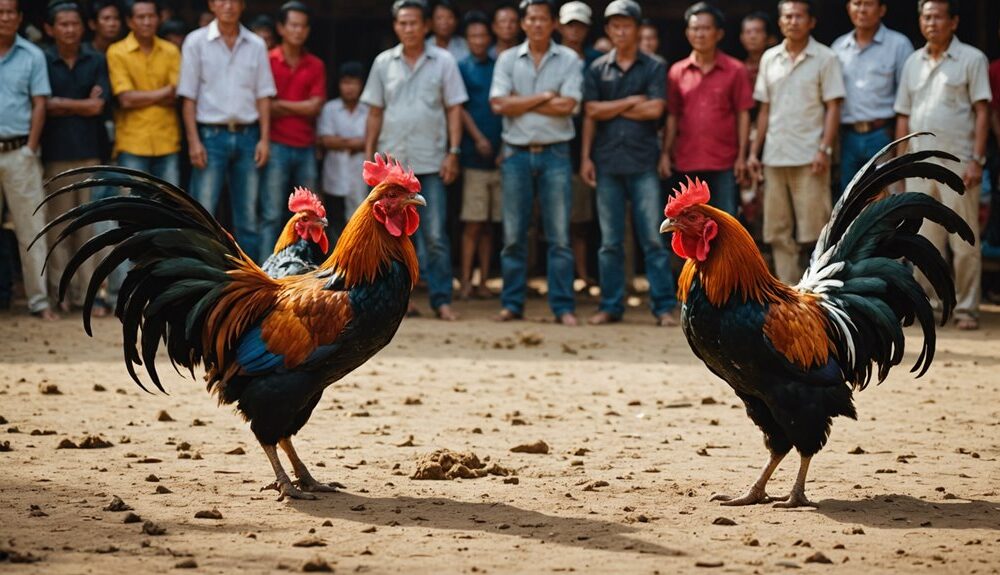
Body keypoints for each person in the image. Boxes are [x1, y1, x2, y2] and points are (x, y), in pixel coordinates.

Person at [362, 0, 467, 321]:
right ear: (396, 27)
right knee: (393, 240)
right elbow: (375, 111)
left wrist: (454, 151)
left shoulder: (444, 61)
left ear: (426, 26)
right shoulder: (383, 63)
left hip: (431, 160)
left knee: (435, 235)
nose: (408, 29)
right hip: (393, 165)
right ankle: (401, 302)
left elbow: (454, 108)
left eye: (414, 23)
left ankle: (441, 300)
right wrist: (369, 156)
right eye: (403, 23)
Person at [894, 0, 990, 330]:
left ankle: (966, 308)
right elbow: (903, 115)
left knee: (963, 241)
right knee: (923, 240)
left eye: (937, 17)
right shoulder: (912, 62)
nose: (931, 22)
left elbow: (982, 112)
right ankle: (928, 306)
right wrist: (900, 161)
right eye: (926, 17)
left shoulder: (971, 59)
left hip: (958, 165)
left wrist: (977, 159)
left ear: (954, 22)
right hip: (918, 164)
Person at [581, 0, 674, 326]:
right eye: (615, 26)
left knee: (652, 237)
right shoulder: (596, 68)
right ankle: (610, 305)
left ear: (637, 29)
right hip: (606, 161)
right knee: (609, 242)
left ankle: (662, 307)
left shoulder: (654, 66)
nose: (621, 31)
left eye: (627, 25)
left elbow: (655, 110)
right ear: (608, 30)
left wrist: (611, 107)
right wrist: (585, 157)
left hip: (643, 161)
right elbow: (591, 114)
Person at [490, 0, 582, 326]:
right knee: (514, 235)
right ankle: (512, 303)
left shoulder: (569, 59)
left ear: (553, 23)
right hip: (515, 153)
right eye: (532, 18)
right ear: (524, 23)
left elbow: (569, 105)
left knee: (559, 235)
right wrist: (545, 96)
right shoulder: (506, 59)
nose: (538, 24)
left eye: (544, 18)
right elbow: (499, 104)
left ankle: (562, 306)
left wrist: (522, 104)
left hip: (556, 152)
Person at [748, 0, 844, 283]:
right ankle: (790, 294)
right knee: (777, 231)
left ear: (811, 22)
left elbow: (833, 107)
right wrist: (755, 153)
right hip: (775, 156)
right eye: (787, 16)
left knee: (816, 232)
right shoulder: (769, 58)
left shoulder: (826, 58)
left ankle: (817, 295)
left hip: (810, 156)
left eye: (798, 16)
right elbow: (764, 109)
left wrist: (825, 148)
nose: (792, 21)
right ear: (779, 22)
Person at [177, 0, 276, 263]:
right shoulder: (195, 42)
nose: (228, 6)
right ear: (211, 4)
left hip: (248, 136)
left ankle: (252, 287)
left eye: (235, 1)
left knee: (248, 218)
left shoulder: (255, 44)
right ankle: (198, 279)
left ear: (243, 6)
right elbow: (188, 97)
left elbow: (263, 96)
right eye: (222, 0)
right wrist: (193, 141)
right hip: (210, 137)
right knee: (202, 213)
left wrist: (264, 140)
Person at [41, 1, 111, 316]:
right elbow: (43, 106)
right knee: (57, 229)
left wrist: (60, 103)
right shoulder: (42, 60)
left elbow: (98, 108)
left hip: (91, 155)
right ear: (50, 29)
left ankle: (93, 295)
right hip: (54, 155)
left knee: (90, 229)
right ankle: (60, 294)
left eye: (74, 24)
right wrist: (80, 103)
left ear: (83, 27)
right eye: (63, 24)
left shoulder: (96, 60)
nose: (70, 29)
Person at [661, 2, 753, 218]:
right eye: (694, 28)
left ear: (719, 33)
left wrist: (742, 156)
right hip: (686, 159)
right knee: (688, 225)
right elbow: (672, 116)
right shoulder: (677, 71)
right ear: (687, 32)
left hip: (724, 161)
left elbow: (743, 114)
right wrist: (665, 153)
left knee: (726, 222)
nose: (699, 34)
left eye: (705, 28)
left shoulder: (735, 69)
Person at [0, 0, 56, 320]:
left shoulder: (32, 55)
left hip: (20, 151)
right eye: (0, 11)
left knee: (32, 230)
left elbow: (40, 104)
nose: (5, 17)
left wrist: (30, 148)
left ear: (20, 18)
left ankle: (39, 302)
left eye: (10, 12)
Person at [260, 1, 326, 261]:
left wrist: (279, 105)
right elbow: (264, 107)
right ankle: (263, 273)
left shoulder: (316, 64)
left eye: (303, 26)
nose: (298, 31)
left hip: (305, 146)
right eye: (293, 25)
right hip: (275, 144)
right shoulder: (267, 60)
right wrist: (300, 106)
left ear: (308, 30)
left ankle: (307, 270)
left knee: (312, 216)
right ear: (281, 28)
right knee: (271, 214)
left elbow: (315, 107)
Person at [832, 0, 912, 197]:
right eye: (856, 3)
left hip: (883, 135)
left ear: (882, 9)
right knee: (848, 203)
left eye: (868, 4)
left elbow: (908, 98)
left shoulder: (899, 45)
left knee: (884, 202)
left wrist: (900, 145)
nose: (861, 9)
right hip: (848, 137)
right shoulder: (838, 47)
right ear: (848, 8)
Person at [107, 0, 181, 184]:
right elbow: (125, 99)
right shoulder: (117, 52)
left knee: (169, 205)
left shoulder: (171, 50)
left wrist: (139, 96)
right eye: (141, 17)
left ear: (159, 18)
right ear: (130, 21)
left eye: (151, 16)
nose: (147, 22)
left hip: (167, 139)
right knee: (134, 207)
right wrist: (163, 92)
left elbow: (176, 95)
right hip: (133, 141)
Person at [457, 10, 503, 300]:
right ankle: (464, 281)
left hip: (499, 157)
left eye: (482, 35)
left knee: (489, 226)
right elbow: (458, 107)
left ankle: (484, 281)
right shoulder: (460, 67)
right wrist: (477, 138)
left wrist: (503, 148)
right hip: (473, 156)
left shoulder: (500, 66)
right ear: (467, 39)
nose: (478, 40)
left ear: (490, 38)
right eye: (473, 36)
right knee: (472, 223)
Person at [558, 0, 601, 289]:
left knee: (583, 221)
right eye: (570, 24)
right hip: (557, 144)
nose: (575, 30)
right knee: (554, 222)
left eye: (580, 25)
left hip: (591, 150)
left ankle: (584, 275)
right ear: (559, 26)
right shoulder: (552, 57)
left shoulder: (597, 60)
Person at [318, 61, 368, 240]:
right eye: (345, 83)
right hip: (334, 176)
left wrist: (341, 141)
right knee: (334, 224)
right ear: (339, 85)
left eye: (354, 83)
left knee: (360, 224)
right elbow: (326, 140)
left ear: (362, 85)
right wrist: (356, 143)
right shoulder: (330, 108)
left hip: (359, 176)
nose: (349, 88)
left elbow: (372, 141)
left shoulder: (369, 110)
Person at [740, 12, 774, 90]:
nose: (752, 36)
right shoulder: (738, 69)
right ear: (741, 37)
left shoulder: (776, 67)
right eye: (748, 32)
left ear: (770, 38)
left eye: (758, 31)